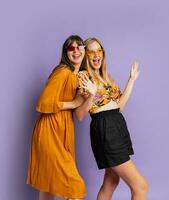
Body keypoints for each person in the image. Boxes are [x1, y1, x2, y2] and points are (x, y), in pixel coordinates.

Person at [75, 37, 149, 200]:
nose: (96, 55)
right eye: (91, 51)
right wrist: (92, 95)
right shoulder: (84, 76)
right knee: (141, 186)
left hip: (116, 125)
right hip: (106, 129)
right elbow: (79, 115)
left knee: (111, 182)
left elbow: (119, 106)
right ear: (86, 55)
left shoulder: (106, 76)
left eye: (99, 50)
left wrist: (131, 80)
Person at [26, 35, 87, 200]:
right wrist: (73, 103)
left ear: (84, 49)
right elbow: (43, 103)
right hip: (49, 131)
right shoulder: (62, 72)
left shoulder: (78, 76)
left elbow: (80, 115)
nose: (76, 51)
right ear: (65, 53)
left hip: (62, 131)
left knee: (49, 184)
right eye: (71, 48)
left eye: (79, 46)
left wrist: (88, 96)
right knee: (75, 186)